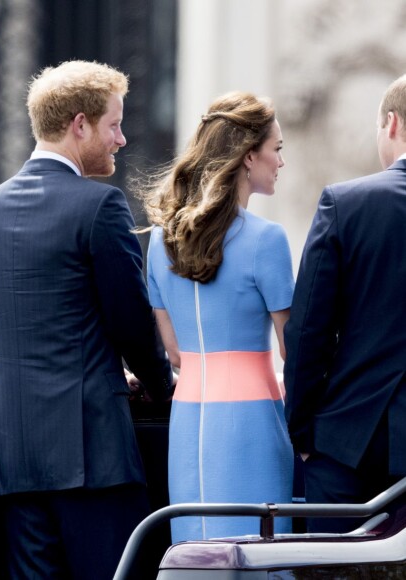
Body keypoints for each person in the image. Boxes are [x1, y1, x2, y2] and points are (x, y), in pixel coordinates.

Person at [0, 60, 173, 579]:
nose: (121, 139)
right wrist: (160, 384)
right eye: (114, 125)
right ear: (80, 125)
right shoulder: (100, 207)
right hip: (93, 454)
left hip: (11, 457)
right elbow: (131, 326)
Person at [138, 91, 294, 542]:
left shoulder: (162, 239)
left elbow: (174, 351)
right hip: (253, 417)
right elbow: (294, 348)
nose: (280, 162)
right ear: (249, 157)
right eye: (276, 149)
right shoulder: (268, 240)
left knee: (195, 551)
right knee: (258, 552)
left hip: (188, 416)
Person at [284, 74, 406, 533]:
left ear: (391, 123)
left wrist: (302, 433)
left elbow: (307, 329)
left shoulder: (347, 204)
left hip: (346, 444)